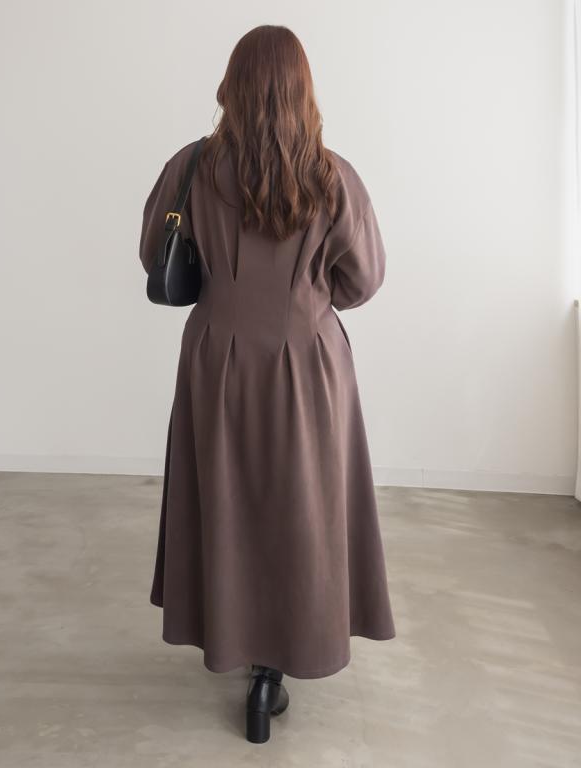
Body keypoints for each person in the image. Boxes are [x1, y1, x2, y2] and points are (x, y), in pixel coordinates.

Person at [138, 24, 396, 744]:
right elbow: (363, 281)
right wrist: (305, 295)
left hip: (216, 356)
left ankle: (238, 642)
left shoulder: (192, 166)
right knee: (302, 507)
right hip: (307, 361)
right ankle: (276, 667)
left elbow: (155, 254)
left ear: (233, 86)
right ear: (303, 91)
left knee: (224, 498)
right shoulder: (332, 177)